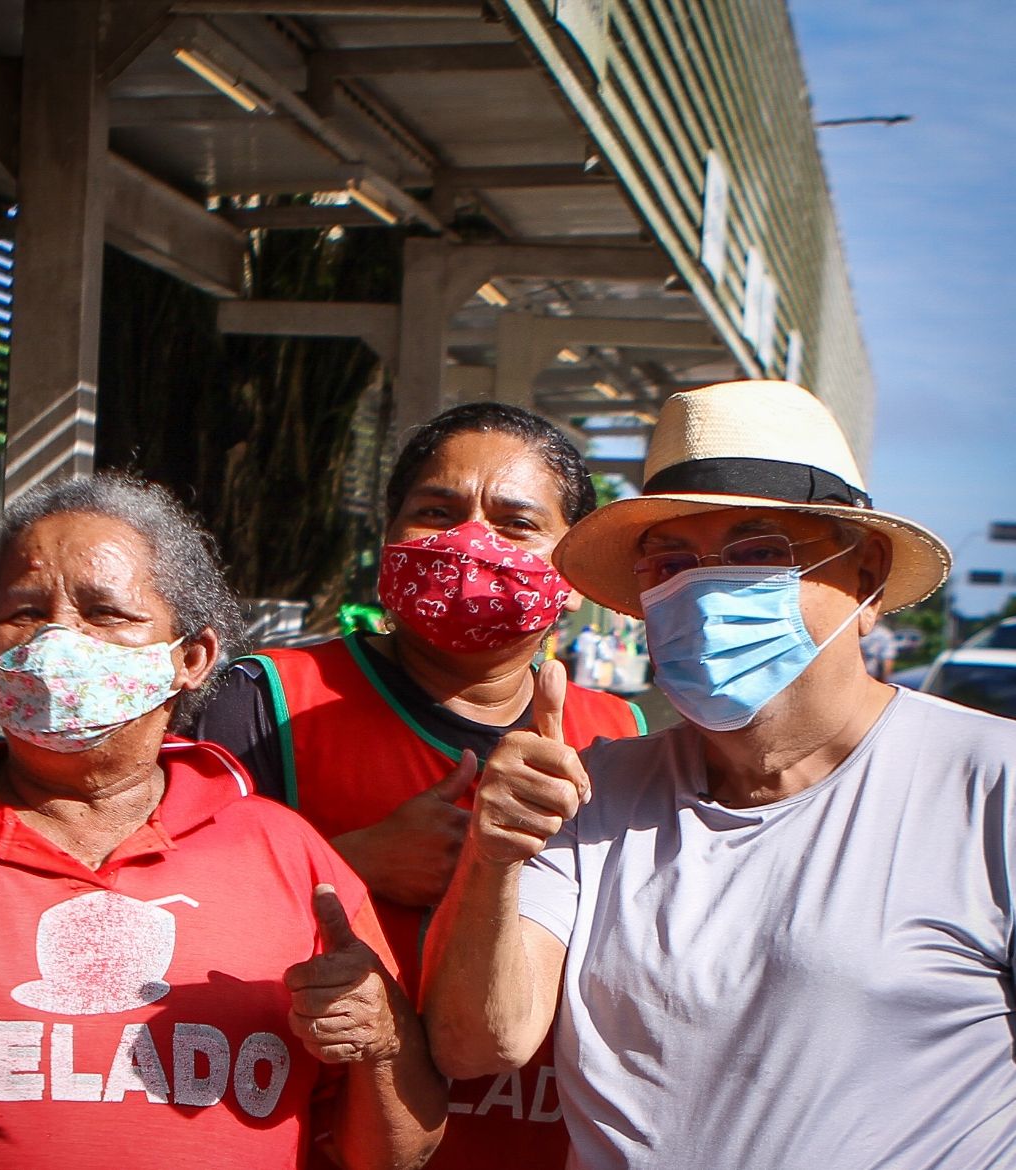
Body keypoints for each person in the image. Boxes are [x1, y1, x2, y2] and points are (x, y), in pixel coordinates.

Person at [0, 474, 445, 1170]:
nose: (57, 639)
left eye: (104, 612)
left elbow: (400, 1152)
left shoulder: (289, 858)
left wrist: (380, 1043)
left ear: (192, 659)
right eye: (23, 611)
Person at [421, 379, 1016, 1169]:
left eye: (757, 553)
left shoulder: (990, 787)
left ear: (866, 574)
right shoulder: (592, 793)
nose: (703, 591)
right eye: (669, 562)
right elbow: (477, 1044)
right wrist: (496, 859)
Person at [195, 402, 644, 1169]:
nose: (470, 542)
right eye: (435, 512)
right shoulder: (266, 699)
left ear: (571, 578)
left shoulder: (621, 735)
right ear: (386, 542)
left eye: (514, 523)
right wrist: (353, 865)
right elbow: (173, 915)